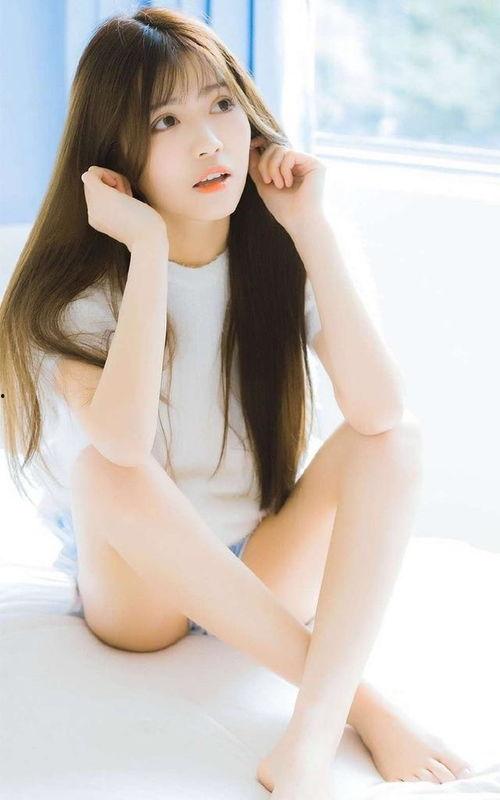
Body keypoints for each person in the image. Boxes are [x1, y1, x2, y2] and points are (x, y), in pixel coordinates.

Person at [0, 6, 473, 797]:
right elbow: (121, 448)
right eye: (166, 120)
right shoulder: (79, 292)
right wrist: (146, 248)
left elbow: (381, 413)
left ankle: (311, 729)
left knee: (396, 441)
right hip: (139, 598)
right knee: (105, 471)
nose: (208, 141)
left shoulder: (287, 244)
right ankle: (362, 705)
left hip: (260, 562)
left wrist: (310, 227)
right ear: (115, 151)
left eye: (220, 103)